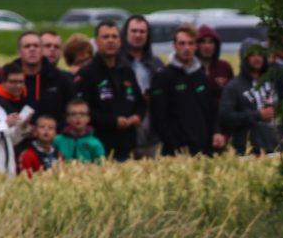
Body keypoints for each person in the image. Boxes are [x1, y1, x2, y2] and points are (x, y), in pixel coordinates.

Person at [150, 25, 225, 156]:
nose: (186, 48)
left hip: (204, 150)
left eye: (190, 43)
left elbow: (212, 109)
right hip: (176, 154)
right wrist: (176, 148)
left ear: (196, 46)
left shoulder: (201, 76)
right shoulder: (163, 77)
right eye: (182, 43)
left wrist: (216, 132)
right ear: (174, 46)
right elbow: (159, 118)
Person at [75, 21, 142, 160]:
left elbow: (140, 102)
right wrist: (113, 121)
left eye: (114, 37)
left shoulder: (127, 71)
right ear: (96, 42)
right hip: (99, 146)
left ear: (120, 41)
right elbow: (82, 111)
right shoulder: (87, 74)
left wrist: (138, 116)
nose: (110, 41)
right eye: (105, 37)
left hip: (128, 145)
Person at [218, 39, 282, 154]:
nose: (257, 58)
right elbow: (225, 117)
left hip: (278, 150)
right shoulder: (234, 87)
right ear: (244, 58)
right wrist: (257, 115)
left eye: (260, 54)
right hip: (248, 153)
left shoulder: (274, 81)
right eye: (252, 54)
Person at [122, 15, 165, 158]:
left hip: (152, 135)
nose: (138, 35)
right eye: (134, 31)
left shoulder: (156, 65)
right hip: (126, 133)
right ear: (125, 34)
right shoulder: (117, 63)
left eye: (142, 32)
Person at [6, 31, 72, 121]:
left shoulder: (61, 79)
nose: (32, 49)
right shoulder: (7, 78)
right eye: (27, 46)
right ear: (19, 52)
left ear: (42, 50)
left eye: (36, 46)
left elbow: (71, 111)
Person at [195, 25, 234, 115]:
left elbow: (233, 95)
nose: (207, 46)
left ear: (216, 45)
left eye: (211, 42)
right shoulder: (192, 69)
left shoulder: (224, 67)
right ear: (196, 45)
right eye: (203, 42)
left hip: (221, 118)